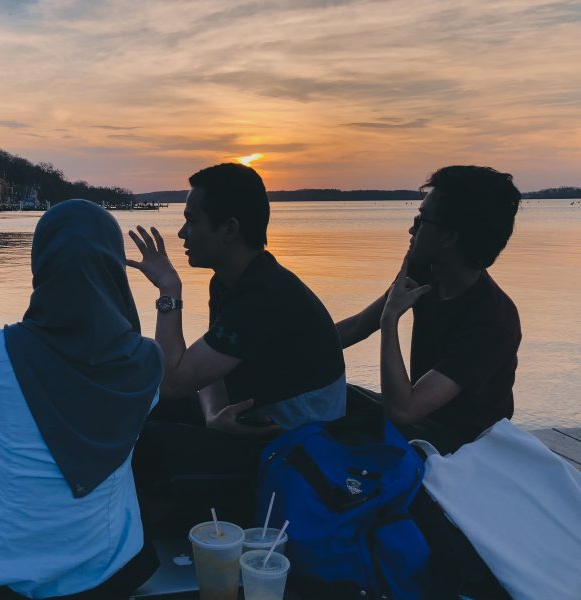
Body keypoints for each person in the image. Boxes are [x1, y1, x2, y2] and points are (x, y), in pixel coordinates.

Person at [0, 200, 163, 599]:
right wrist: (170, 293)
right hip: (110, 573)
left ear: (41, 264)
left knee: (3, 438)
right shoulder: (146, 359)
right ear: (113, 267)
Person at [127, 162, 345, 531]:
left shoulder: (263, 294)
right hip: (250, 422)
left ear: (229, 229)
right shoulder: (233, 281)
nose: (182, 233)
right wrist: (213, 414)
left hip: (298, 450)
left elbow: (173, 381)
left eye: (192, 221)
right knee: (134, 403)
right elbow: (207, 368)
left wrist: (169, 290)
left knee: (146, 441)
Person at [336, 165, 522, 453]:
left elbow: (404, 410)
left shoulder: (493, 321)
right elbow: (359, 325)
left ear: (449, 237)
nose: (411, 229)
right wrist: (289, 352)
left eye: (421, 221)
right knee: (325, 394)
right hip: (420, 421)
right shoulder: (425, 271)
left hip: (465, 447)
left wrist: (390, 321)